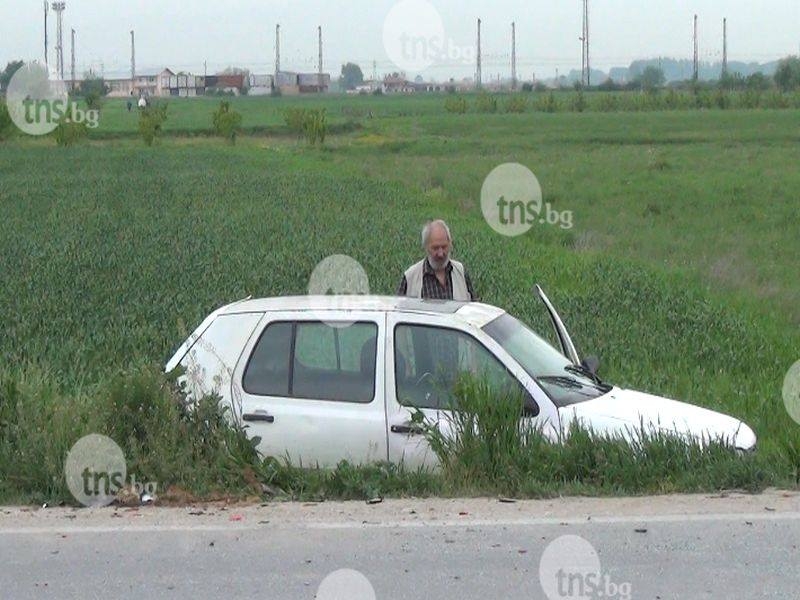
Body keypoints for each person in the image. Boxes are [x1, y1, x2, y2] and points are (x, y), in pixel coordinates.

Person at [397, 219, 477, 301]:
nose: (440, 253)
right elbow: (399, 311)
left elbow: (473, 308)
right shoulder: (411, 277)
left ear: (450, 244)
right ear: (426, 247)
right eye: (435, 248)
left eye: (444, 247)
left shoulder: (460, 272)